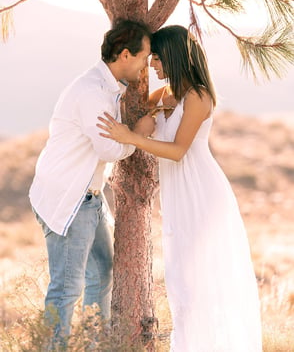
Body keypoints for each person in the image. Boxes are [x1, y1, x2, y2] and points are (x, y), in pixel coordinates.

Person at [97, 25, 263, 352]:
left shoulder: (199, 96)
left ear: (173, 56)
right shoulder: (172, 93)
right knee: (180, 278)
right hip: (179, 193)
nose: (153, 66)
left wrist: (131, 137)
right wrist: (145, 117)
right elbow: (143, 105)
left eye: (157, 58)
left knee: (199, 277)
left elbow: (177, 150)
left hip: (200, 192)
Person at [29, 18, 152, 347]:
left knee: (101, 271)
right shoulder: (92, 92)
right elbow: (108, 148)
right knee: (66, 288)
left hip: (89, 197)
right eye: (143, 58)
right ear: (124, 55)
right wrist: (138, 137)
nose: (145, 67)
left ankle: (93, 344)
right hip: (69, 198)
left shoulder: (107, 87)